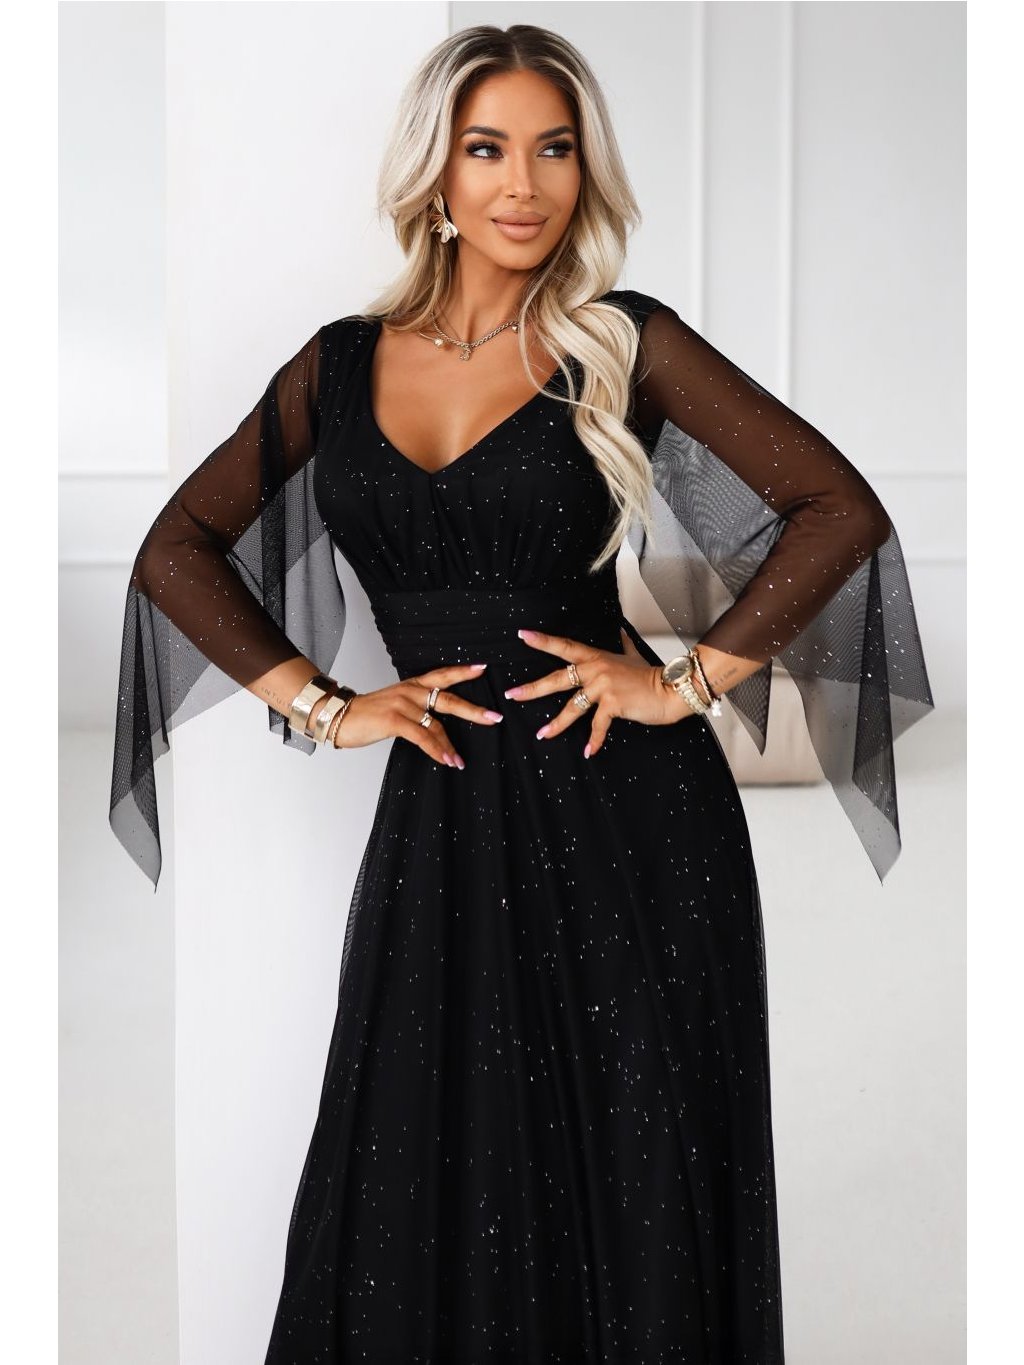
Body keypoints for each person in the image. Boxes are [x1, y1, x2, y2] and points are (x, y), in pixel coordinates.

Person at [108, 23, 933, 1364]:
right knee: (421, 1164)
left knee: (632, 1169)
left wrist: (682, 684)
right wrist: (328, 704)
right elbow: (175, 552)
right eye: (488, 148)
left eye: (555, 150)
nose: (524, 184)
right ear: (435, 172)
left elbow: (836, 510)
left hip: (628, 821)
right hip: (441, 820)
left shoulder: (623, 342)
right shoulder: (338, 366)